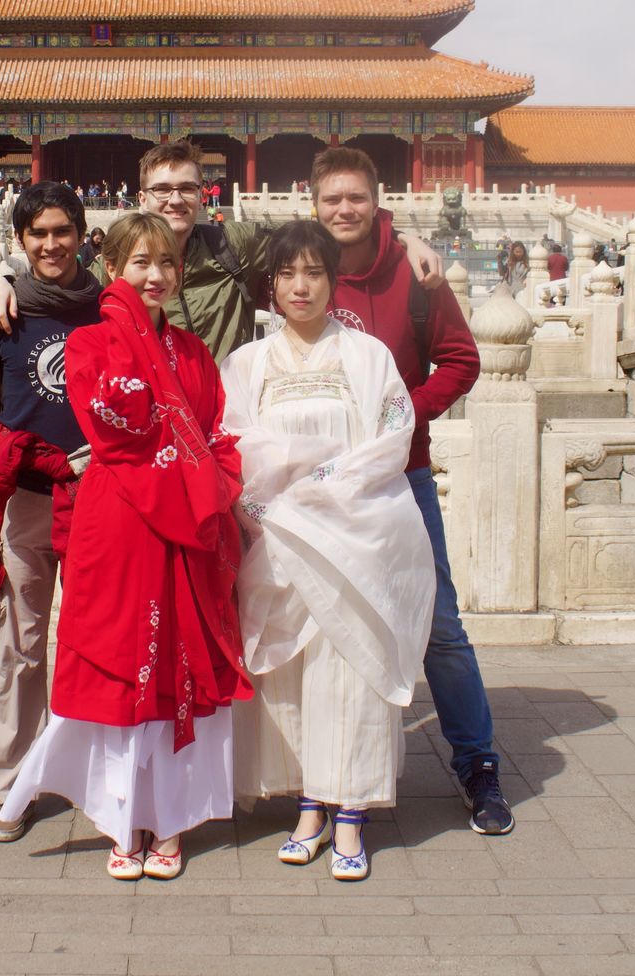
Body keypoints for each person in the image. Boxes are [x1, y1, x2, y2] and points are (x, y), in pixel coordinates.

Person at [0, 212, 251, 881]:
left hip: (187, 522)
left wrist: (218, 479)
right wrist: (194, 474)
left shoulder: (194, 355)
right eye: (140, 262)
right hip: (125, 520)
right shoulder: (88, 346)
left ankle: (169, 818)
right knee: (122, 666)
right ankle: (122, 818)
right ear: (113, 269)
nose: (155, 276)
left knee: (176, 669)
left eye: (166, 263)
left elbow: (216, 430)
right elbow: (118, 435)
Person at [223, 219, 435, 881]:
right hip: (282, 539)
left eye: (314, 272)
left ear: (332, 280)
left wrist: (323, 482)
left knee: (352, 669)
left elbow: (390, 437)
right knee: (292, 675)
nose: (300, 286)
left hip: (355, 535)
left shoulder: (367, 357)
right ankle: (310, 802)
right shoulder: (248, 363)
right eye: (288, 274)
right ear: (272, 285)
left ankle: (351, 812)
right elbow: (236, 444)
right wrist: (275, 501)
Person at [310, 145, 511, 836]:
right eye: (332, 199)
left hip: (403, 474)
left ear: (376, 200)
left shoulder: (416, 273)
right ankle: (325, 775)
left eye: (355, 198)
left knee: (438, 623)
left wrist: (402, 417)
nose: (344, 210)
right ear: (314, 206)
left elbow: (462, 358)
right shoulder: (298, 266)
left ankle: (478, 764)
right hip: (321, 483)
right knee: (317, 620)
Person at [0, 140, 448, 361]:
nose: (175, 199)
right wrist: (4, 279)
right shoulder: (119, 258)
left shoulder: (233, 246)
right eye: (161, 189)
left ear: (203, 194)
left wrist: (402, 236)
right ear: (141, 198)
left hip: (225, 421)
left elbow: (319, 234)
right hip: (147, 424)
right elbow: (61, 278)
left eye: (187, 188)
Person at [0, 182, 102, 842]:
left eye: (61, 231)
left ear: (80, 233)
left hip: (99, 500)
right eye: (37, 234)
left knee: (97, 641)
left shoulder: (106, 308)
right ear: (21, 241)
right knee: (20, 646)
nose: (51, 244)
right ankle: (10, 780)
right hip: (23, 503)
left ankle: (98, 775)